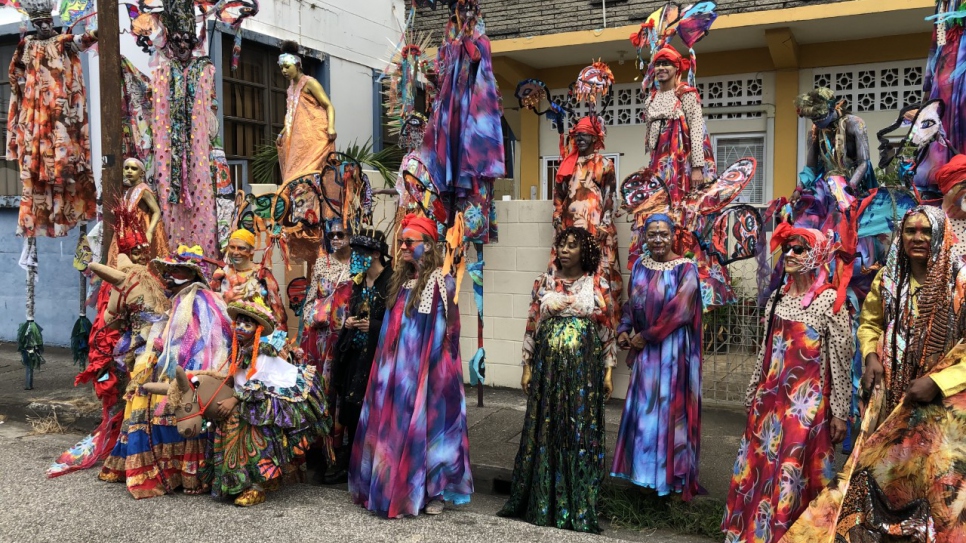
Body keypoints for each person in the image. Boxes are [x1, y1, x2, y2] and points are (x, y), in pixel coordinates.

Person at [780, 206, 966, 542]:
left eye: (926, 231)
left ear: (941, 235)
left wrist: (936, 383)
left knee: (940, 486)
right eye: (911, 231)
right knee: (886, 479)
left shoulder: (960, 282)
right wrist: (870, 356)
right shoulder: (889, 277)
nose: (918, 238)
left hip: (943, 408)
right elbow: (870, 323)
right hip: (893, 399)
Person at [722, 222, 853, 543]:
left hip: (806, 410)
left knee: (794, 476)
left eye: (800, 248)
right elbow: (766, 353)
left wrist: (839, 412)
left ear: (818, 254)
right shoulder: (776, 299)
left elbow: (840, 362)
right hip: (770, 404)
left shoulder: (830, 302)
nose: (790, 254)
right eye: (788, 248)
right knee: (762, 470)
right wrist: (754, 392)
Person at [349, 214, 473, 518]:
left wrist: (439, 372)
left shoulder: (440, 281)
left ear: (428, 246)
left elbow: (450, 331)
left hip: (429, 372)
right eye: (401, 241)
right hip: (397, 373)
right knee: (397, 427)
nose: (403, 247)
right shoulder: (401, 282)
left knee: (432, 429)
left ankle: (434, 492)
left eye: (409, 242)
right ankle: (393, 488)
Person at [498, 226, 615, 534]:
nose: (564, 250)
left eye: (572, 245)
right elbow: (532, 324)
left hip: (582, 374)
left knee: (577, 430)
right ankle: (541, 500)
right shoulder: (544, 282)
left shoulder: (598, 284)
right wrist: (526, 366)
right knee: (546, 426)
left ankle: (577, 502)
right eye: (562, 244)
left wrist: (608, 372)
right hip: (548, 371)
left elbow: (606, 331)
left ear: (584, 251)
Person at [99, 247, 233, 498]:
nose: (170, 277)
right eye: (168, 272)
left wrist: (180, 363)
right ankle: (168, 468)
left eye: (177, 271)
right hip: (170, 365)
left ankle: (188, 471)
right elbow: (165, 332)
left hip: (191, 366)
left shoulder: (201, 299)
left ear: (192, 275)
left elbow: (203, 339)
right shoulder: (176, 300)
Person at [610, 214, 704, 501]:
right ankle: (643, 475)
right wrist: (625, 330)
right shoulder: (640, 264)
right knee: (646, 414)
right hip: (646, 353)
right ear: (644, 237)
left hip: (673, 353)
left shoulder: (686, 268)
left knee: (668, 412)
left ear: (673, 234)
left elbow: (681, 310)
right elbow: (632, 303)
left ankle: (668, 479)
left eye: (663, 233)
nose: (658, 240)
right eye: (652, 234)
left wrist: (646, 335)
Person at [209, 300, 330, 506]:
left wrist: (234, 400)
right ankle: (235, 483)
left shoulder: (263, 353)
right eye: (238, 323)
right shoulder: (238, 350)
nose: (240, 327)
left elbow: (259, 383)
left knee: (248, 431)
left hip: (261, 403)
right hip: (245, 400)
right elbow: (237, 377)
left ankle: (256, 485)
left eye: (247, 325)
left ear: (257, 329)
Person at [8, 3, 97, 238]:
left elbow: (81, 41)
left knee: (65, 164)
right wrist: (28, 90)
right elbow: (14, 72)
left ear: (51, 21)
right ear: (33, 25)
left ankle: (68, 214)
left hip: (61, 115)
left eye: (47, 22)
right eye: (38, 24)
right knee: (36, 170)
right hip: (36, 117)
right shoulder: (26, 45)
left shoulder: (62, 42)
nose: (45, 26)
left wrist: (98, 33)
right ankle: (42, 216)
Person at [149, 0, 219, 255]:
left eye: (187, 41)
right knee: (169, 197)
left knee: (201, 195)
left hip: (197, 151)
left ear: (194, 43)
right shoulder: (162, 70)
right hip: (168, 151)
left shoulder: (203, 69)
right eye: (176, 40)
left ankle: (203, 256)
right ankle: (171, 255)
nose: (182, 46)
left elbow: (211, 111)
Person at [324, 228, 392, 484]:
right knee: (352, 409)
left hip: (379, 358)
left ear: (375, 253)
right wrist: (349, 323)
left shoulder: (392, 281)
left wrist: (374, 326)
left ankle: (375, 468)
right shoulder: (359, 281)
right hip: (355, 356)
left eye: (360, 253)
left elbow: (399, 323)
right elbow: (352, 311)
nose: (356, 258)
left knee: (374, 411)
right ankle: (351, 465)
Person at [552, 115, 622, 328]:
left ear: (595, 137)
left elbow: (610, 197)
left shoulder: (605, 164)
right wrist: (556, 216)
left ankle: (599, 324)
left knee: (597, 274)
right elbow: (559, 196)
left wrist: (604, 224)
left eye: (584, 134)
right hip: (570, 229)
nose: (579, 138)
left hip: (595, 229)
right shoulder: (567, 164)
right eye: (577, 135)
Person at [300, 219, 353, 475]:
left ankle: (339, 452)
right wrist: (310, 320)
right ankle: (317, 449)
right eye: (330, 235)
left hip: (345, 338)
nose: (334, 239)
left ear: (351, 236)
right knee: (319, 392)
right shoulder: (322, 262)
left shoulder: (359, 263)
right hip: (320, 339)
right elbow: (311, 297)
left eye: (340, 234)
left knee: (341, 394)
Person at [641, 46, 714, 203]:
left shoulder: (686, 94)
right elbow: (651, 141)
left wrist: (697, 168)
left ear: (676, 67)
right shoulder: (650, 100)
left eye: (666, 64)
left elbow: (696, 131)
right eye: (658, 64)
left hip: (683, 165)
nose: (661, 68)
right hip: (659, 165)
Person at [276, 40, 337, 186]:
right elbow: (292, 115)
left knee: (312, 175)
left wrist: (331, 127)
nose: (283, 71)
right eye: (281, 67)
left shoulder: (310, 82)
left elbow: (329, 106)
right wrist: (282, 133)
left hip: (315, 136)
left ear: (297, 66)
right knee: (295, 178)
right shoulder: (290, 88)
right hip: (298, 139)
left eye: (287, 67)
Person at [210, 229, 287, 331]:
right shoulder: (221, 274)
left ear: (251, 251)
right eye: (232, 247)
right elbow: (209, 308)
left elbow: (278, 313)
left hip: (256, 337)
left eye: (241, 248)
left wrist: (280, 339)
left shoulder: (262, 274)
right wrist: (226, 298)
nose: (236, 252)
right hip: (226, 334)